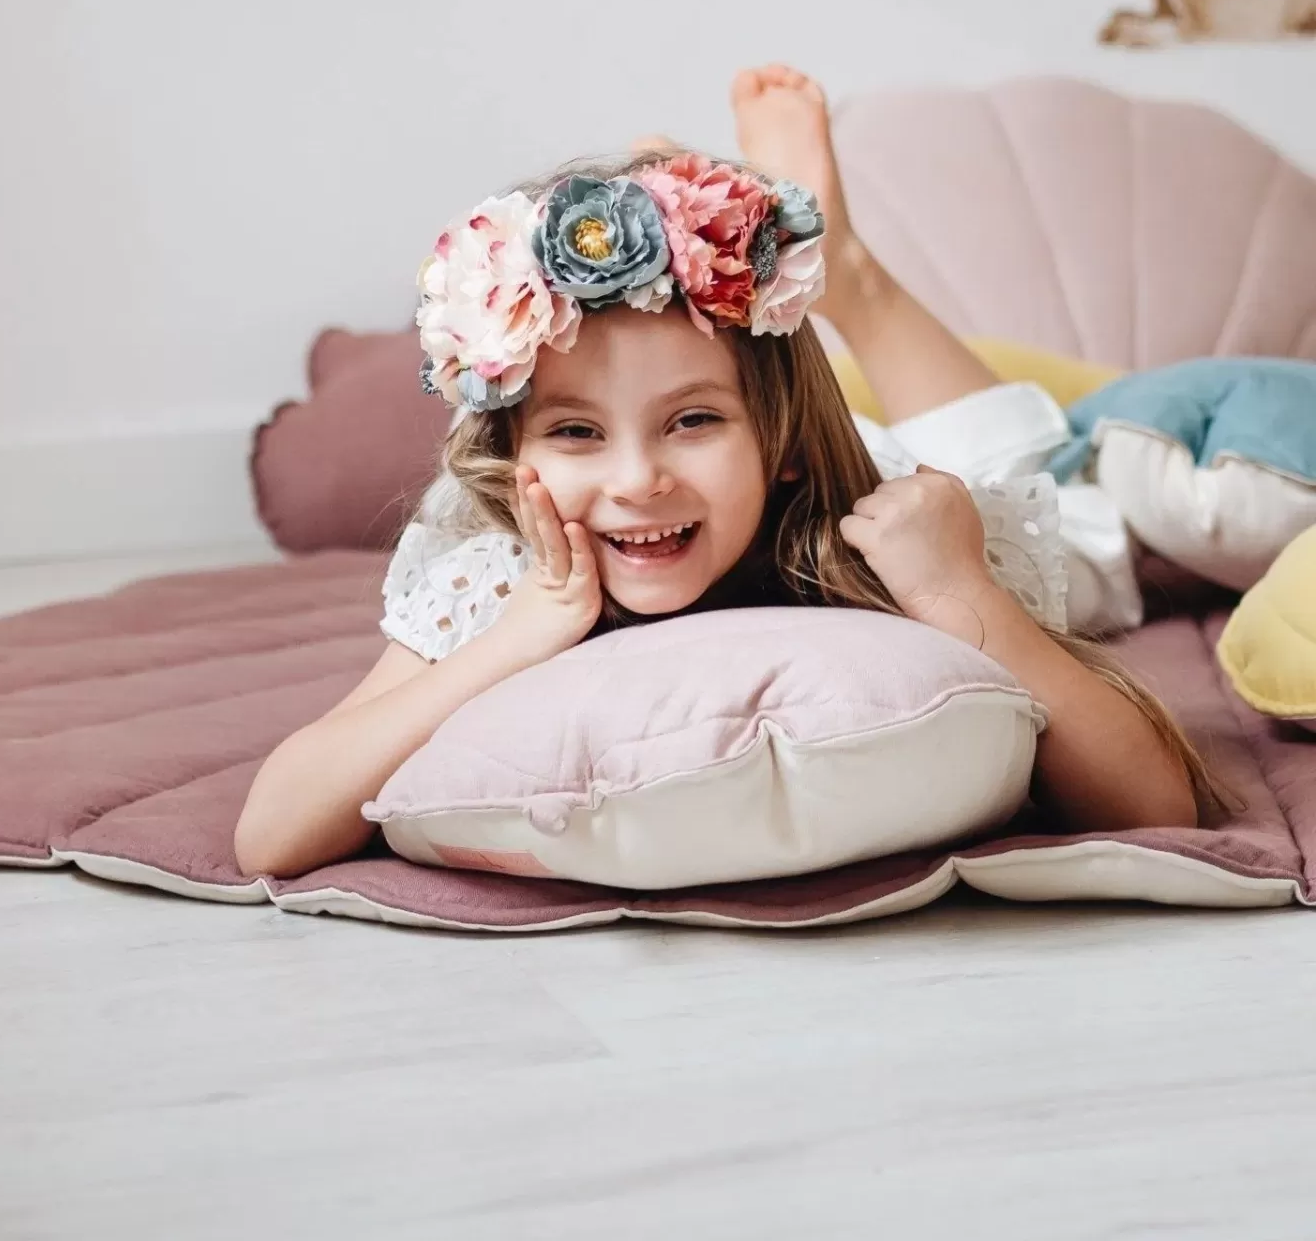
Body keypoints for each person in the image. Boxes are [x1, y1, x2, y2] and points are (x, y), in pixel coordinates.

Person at [235, 66, 1214, 880]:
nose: (637, 480)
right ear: (517, 452)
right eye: (575, 433)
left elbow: (1156, 802)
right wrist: (518, 637)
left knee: (1037, 478)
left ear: (782, 441)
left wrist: (963, 591)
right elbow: (269, 833)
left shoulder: (888, 535)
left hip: (894, 478)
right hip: (765, 458)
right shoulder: (503, 579)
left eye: (691, 422)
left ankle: (851, 276)